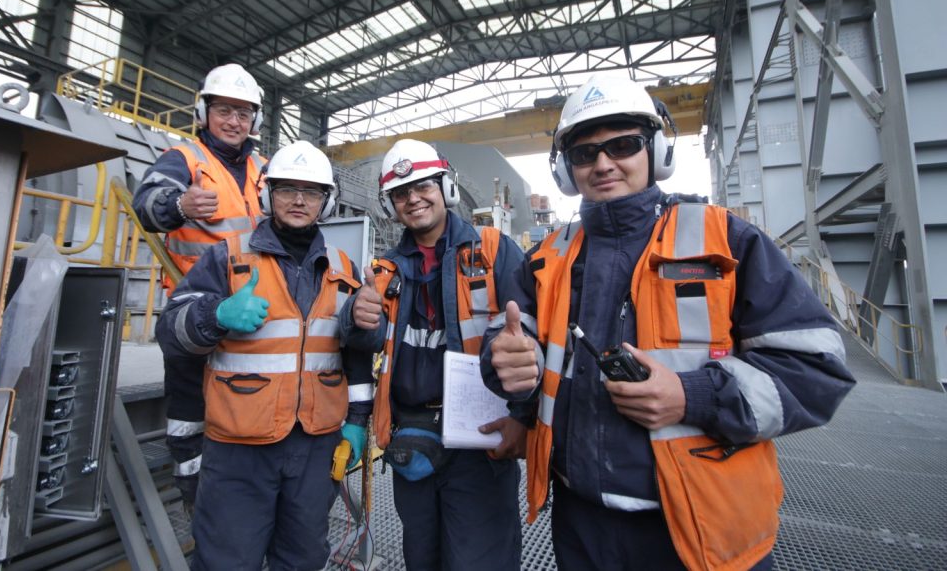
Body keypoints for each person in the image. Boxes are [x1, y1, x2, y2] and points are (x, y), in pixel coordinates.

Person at [482, 75, 856, 571]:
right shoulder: (547, 257)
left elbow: (816, 369)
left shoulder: (728, 241)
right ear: (567, 170)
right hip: (581, 524)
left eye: (623, 145)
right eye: (585, 153)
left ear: (656, 151)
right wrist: (507, 360)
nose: (603, 164)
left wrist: (692, 396)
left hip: (701, 529)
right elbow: (510, 338)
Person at [156, 140, 374, 571]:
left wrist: (357, 421)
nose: (299, 200)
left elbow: (354, 358)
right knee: (226, 562)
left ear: (326, 201)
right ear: (268, 194)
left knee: (303, 559)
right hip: (239, 449)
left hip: (314, 446)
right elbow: (170, 332)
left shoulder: (343, 269)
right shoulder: (227, 257)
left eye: (311, 192)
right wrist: (215, 315)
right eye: (287, 189)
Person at [339, 139, 531, 570]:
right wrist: (356, 318)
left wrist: (523, 415)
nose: (413, 199)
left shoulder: (494, 251)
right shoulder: (384, 271)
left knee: (481, 560)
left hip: (479, 440)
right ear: (390, 205)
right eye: (400, 193)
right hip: (413, 438)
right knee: (422, 556)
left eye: (423, 186)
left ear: (446, 187)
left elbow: (529, 336)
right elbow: (368, 345)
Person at [132, 63, 267, 510]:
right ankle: (194, 498)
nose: (234, 121)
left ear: (255, 120)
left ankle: (241, 496)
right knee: (190, 411)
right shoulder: (184, 159)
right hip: (196, 305)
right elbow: (146, 204)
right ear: (204, 111)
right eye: (224, 110)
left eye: (243, 113)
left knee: (247, 401)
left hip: (253, 308)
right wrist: (179, 204)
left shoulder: (266, 169)